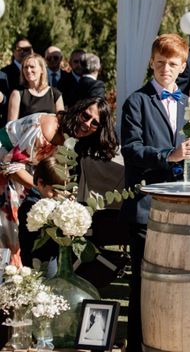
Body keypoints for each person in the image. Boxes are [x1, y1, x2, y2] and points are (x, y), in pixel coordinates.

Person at [120, 33, 190, 352]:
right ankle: (137, 346)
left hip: (181, 206)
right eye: (159, 63)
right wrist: (170, 154)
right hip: (145, 207)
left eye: (172, 63)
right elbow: (131, 150)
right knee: (143, 283)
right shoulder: (136, 102)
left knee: (177, 282)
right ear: (151, 63)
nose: (165, 69)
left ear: (183, 66)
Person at [0, 97, 118, 265]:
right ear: (78, 111)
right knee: (8, 240)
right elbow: (10, 166)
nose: (87, 124)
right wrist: (42, 188)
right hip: (5, 167)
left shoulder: (72, 137)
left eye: (95, 123)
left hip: (18, 171)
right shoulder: (47, 130)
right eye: (86, 116)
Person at [18, 156, 64, 276]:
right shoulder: (30, 206)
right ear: (40, 182)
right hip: (37, 260)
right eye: (53, 191)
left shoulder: (49, 199)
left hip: (52, 257)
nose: (56, 195)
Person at [7, 53, 64, 121]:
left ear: (42, 69)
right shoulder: (17, 94)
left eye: (32, 67)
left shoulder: (55, 94)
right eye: (25, 67)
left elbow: (61, 123)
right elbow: (11, 127)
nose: (28, 70)